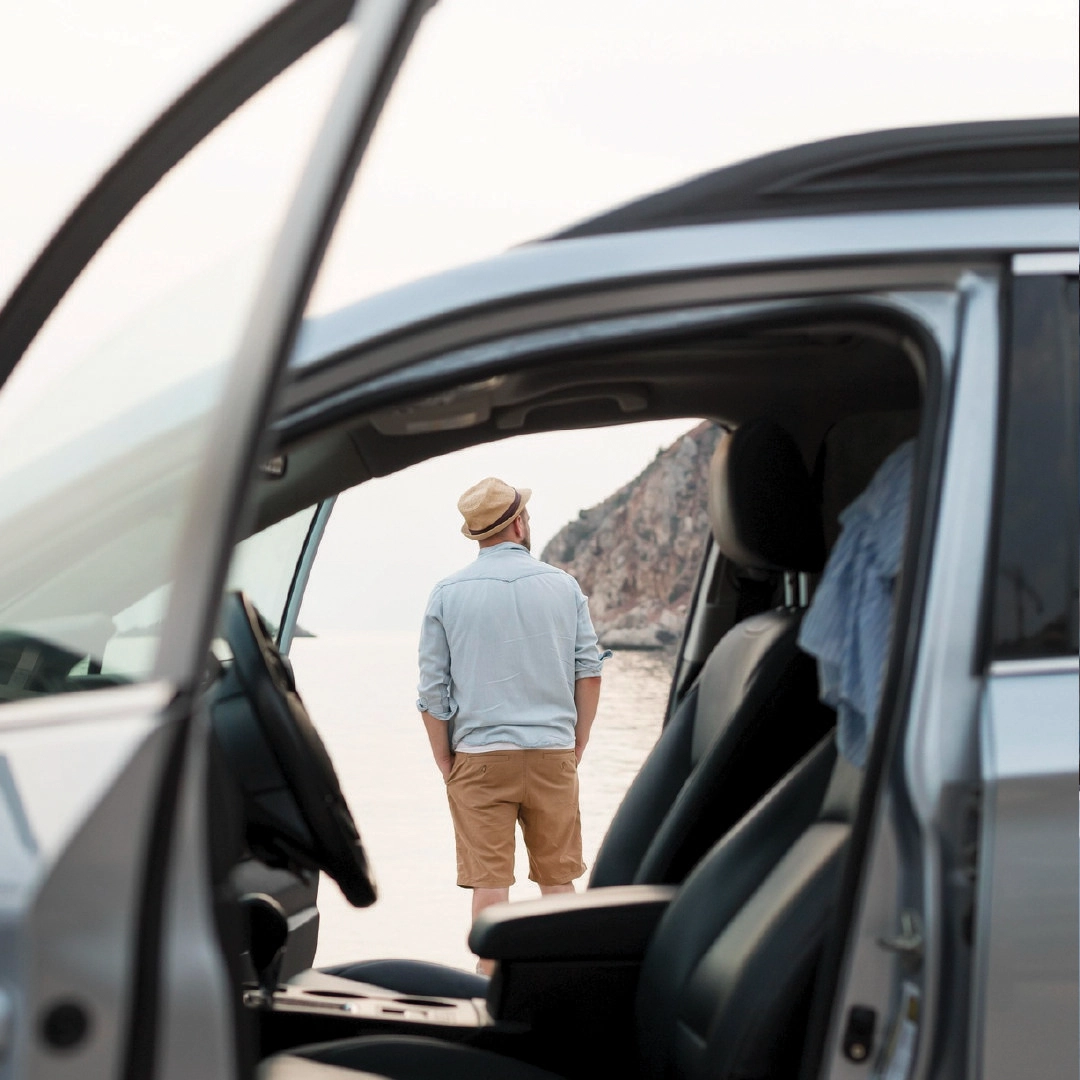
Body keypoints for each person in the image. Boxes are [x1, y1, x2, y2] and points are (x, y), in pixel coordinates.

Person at [416, 476, 610, 974]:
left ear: (477, 533)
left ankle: (485, 1001)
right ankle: (567, 990)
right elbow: (588, 674)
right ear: (520, 523)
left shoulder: (446, 594)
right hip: (552, 754)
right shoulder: (563, 586)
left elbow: (432, 693)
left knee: (490, 886)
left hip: (478, 760)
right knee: (558, 884)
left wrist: (445, 759)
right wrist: (576, 743)